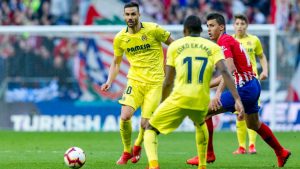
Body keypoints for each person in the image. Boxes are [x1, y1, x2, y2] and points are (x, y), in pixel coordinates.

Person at [186, 12, 291, 168]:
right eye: (207, 26)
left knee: (202, 112)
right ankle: (281, 152)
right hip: (253, 85)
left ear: (221, 27)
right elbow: (228, 74)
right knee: (253, 125)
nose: (208, 29)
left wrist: (218, 94)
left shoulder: (224, 41)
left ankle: (208, 154)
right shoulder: (228, 41)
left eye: (212, 26)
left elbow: (229, 70)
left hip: (244, 89)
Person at [143, 15, 244, 169]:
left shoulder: (175, 46)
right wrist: (237, 99)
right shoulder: (212, 47)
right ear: (201, 30)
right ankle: (202, 165)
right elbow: (226, 72)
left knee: (149, 129)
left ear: (185, 30)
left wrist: (161, 103)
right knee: (201, 123)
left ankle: (153, 165)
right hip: (201, 99)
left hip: (180, 97)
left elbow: (168, 81)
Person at [100, 2, 174, 165]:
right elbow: (116, 62)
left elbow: (174, 44)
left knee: (145, 123)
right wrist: (109, 81)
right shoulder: (120, 38)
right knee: (125, 116)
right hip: (135, 81)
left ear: (139, 15)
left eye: (133, 14)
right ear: (124, 16)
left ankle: (137, 145)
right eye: (127, 14)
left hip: (155, 83)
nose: (130, 18)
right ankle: (127, 151)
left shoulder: (153, 29)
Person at [231, 14, 269, 155]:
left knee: (252, 114)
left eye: (242, 23)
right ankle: (241, 147)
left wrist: (264, 70)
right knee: (239, 114)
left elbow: (261, 56)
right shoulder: (230, 41)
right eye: (237, 23)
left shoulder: (254, 40)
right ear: (233, 25)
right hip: (236, 82)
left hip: (252, 81)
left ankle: (252, 145)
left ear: (246, 25)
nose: (240, 26)